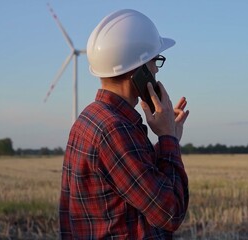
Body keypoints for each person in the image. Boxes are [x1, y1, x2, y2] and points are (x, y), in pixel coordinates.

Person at [59, 9, 189, 239]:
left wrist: (170, 139)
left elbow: (134, 181)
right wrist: (167, 136)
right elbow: (170, 213)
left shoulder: (90, 119)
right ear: (139, 70)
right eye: (154, 61)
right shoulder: (114, 130)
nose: (156, 69)